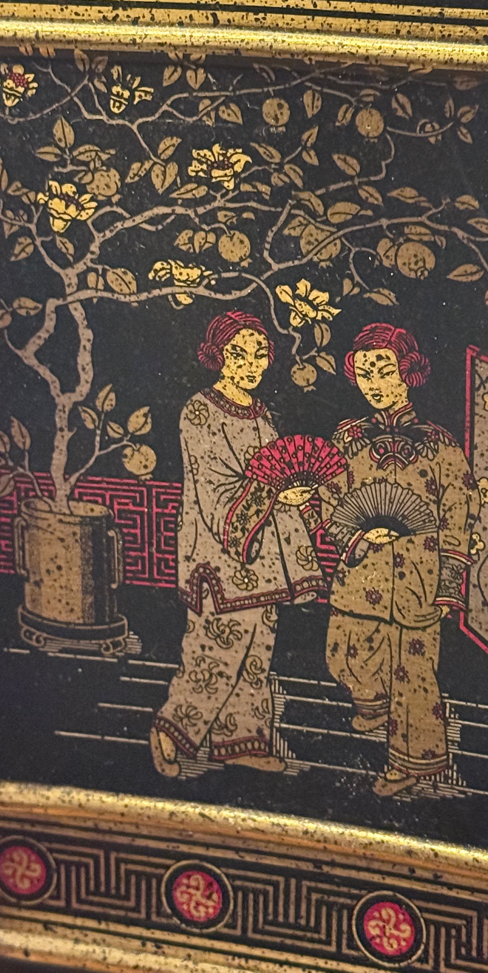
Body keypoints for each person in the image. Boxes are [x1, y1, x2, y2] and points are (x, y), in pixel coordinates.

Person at [151, 311, 325, 778]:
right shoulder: (200, 411)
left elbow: (279, 471)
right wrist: (273, 493)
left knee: (255, 657)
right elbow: (213, 490)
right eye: (238, 353)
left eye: (259, 354)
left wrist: (297, 497)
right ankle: (171, 731)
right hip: (222, 554)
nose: (250, 364)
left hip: (264, 559)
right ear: (218, 355)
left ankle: (240, 741)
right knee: (215, 654)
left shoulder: (262, 413)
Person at [319, 324, 480, 797]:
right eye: (365, 372)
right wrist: (356, 533)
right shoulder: (347, 438)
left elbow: (459, 510)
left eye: (384, 371)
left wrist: (449, 582)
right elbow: (330, 501)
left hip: (417, 574)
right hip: (360, 570)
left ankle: (413, 759)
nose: (374, 382)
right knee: (343, 655)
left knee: (414, 672)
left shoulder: (438, 443)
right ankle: (372, 703)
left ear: (407, 373)